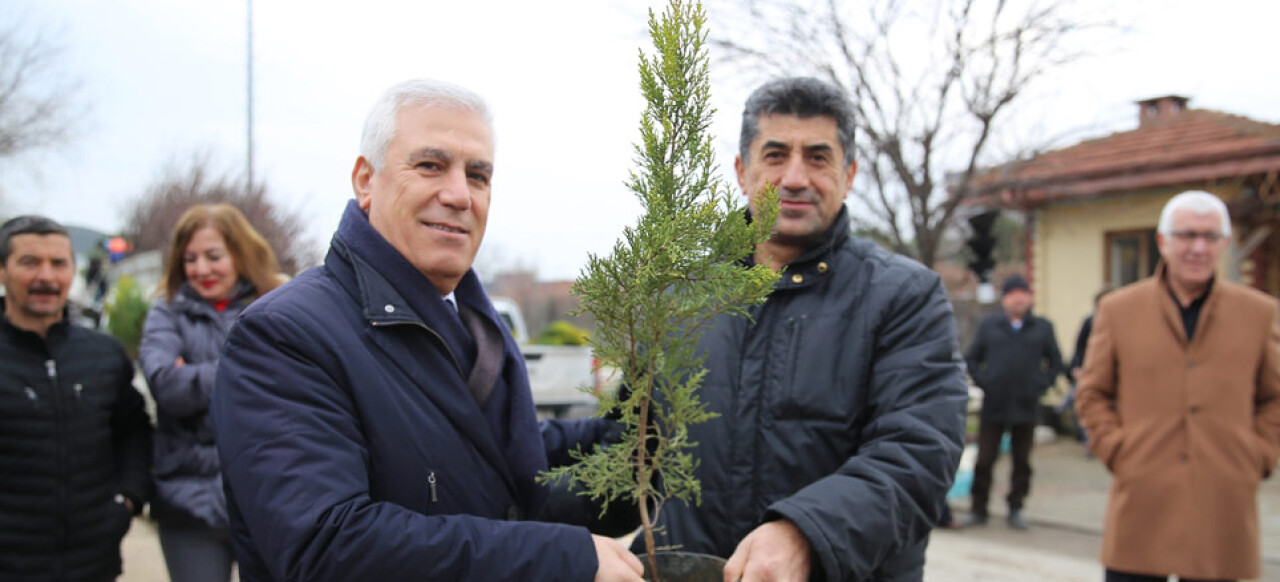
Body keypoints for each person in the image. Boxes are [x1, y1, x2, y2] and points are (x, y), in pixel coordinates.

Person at [209, 79, 644, 581]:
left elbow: (508, 465)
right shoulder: (284, 336)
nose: (459, 194)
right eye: (431, 165)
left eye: (478, 175)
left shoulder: (478, 328)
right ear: (365, 180)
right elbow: (326, 545)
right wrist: (561, 558)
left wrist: (648, 429)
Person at [579, 77, 968, 581]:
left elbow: (918, 454)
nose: (795, 177)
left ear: (848, 175)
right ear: (743, 172)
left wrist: (806, 532)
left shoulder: (904, 296)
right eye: (776, 154)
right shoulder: (681, 297)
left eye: (819, 157)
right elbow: (635, 449)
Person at [1076, 190, 1280, 581]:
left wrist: (1260, 454)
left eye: (1210, 236)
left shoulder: (1257, 313)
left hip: (1223, 501)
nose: (1198, 248)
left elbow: (1274, 397)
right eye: (1187, 235)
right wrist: (1117, 450)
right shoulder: (1119, 310)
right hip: (1142, 497)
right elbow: (1092, 392)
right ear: (1162, 241)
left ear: (1225, 243)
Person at [0, 215, 153, 580]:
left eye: (58, 263)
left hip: (92, 563)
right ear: (2, 271)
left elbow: (134, 432)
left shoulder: (104, 354)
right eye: (29, 262)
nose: (46, 277)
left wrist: (128, 499)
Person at [139, 204, 284, 582]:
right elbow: (167, 387)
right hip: (190, 507)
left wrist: (195, 374)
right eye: (190, 258)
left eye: (213, 256)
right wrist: (254, 374)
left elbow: (298, 383)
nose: (201, 269)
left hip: (269, 498)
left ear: (241, 253)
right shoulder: (166, 312)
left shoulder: (280, 302)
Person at [962, 274, 1065, 530]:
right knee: (985, 459)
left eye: (1023, 293)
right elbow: (972, 359)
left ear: (1030, 297)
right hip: (994, 405)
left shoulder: (1042, 327)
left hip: (1026, 407)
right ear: (1005, 298)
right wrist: (986, 381)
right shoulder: (990, 326)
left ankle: (1016, 507)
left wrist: (1039, 385)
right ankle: (978, 508)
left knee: (1022, 462)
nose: (1018, 299)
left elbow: (1055, 363)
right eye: (1013, 294)